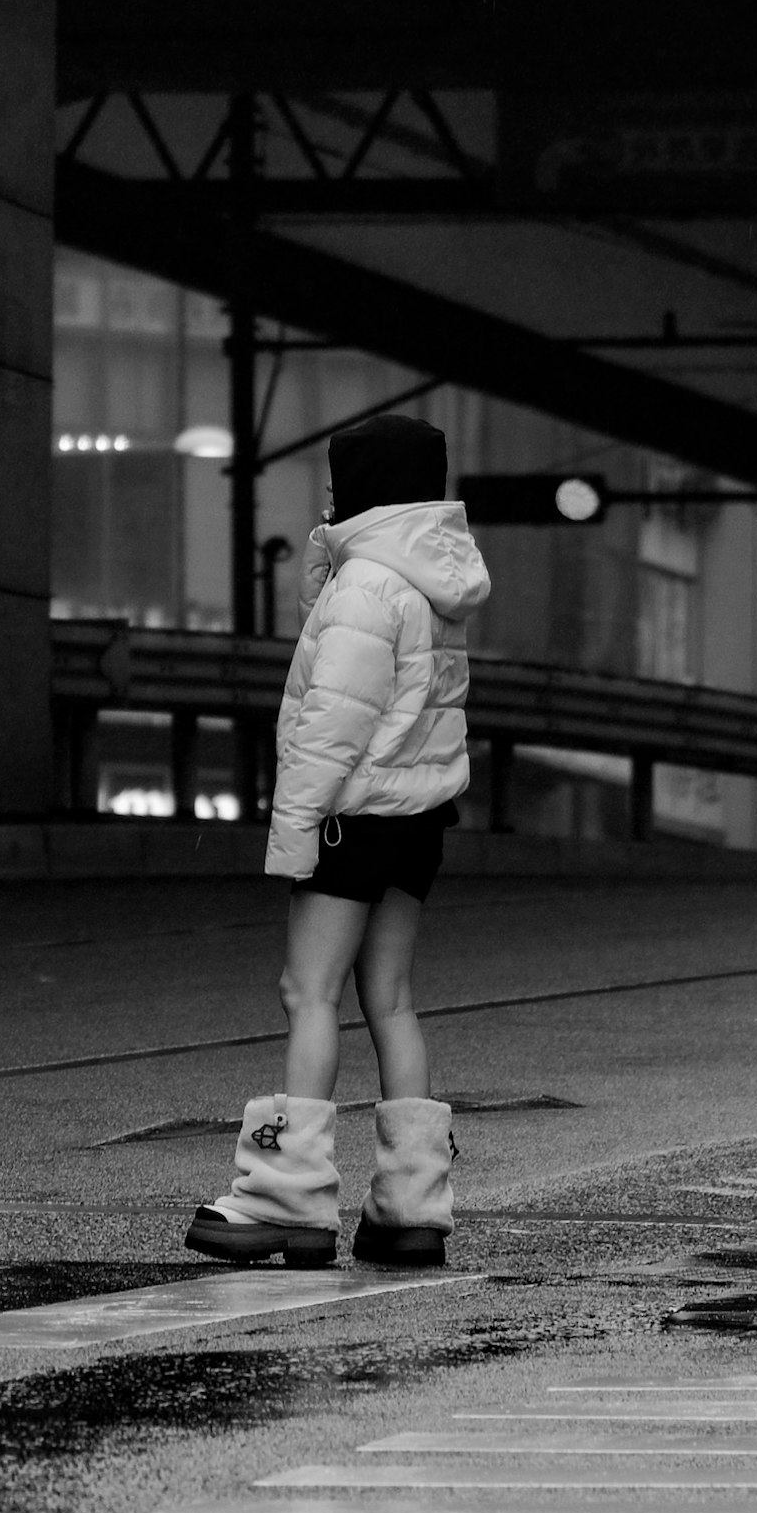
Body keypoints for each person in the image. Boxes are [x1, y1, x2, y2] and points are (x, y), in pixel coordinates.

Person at [188, 413, 491, 1271]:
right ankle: (411, 1208)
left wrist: (292, 832)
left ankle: (285, 1199)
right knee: (389, 999)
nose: (328, 496)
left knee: (308, 991)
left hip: (353, 817)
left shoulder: (367, 585)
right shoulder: (433, 576)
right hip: (419, 817)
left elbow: (332, 727)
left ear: (367, 489)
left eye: (338, 482)